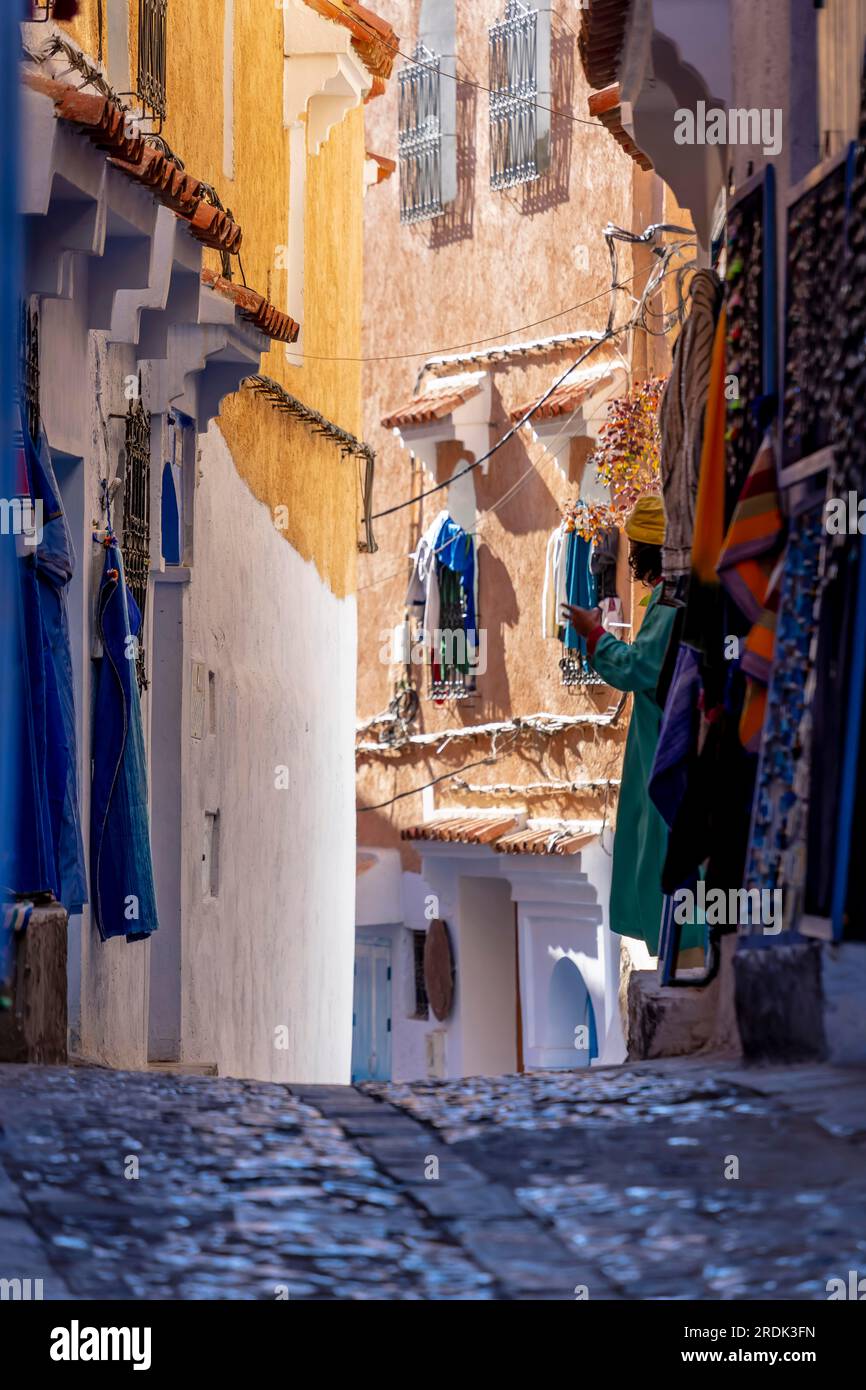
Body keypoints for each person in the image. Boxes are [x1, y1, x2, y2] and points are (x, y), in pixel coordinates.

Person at [562, 495, 703, 959]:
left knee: (663, 850)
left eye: (636, 547)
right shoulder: (680, 595)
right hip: (668, 743)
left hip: (667, 747)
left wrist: (594, 635)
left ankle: (685, 950)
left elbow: (638, 669)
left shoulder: (671, 601)